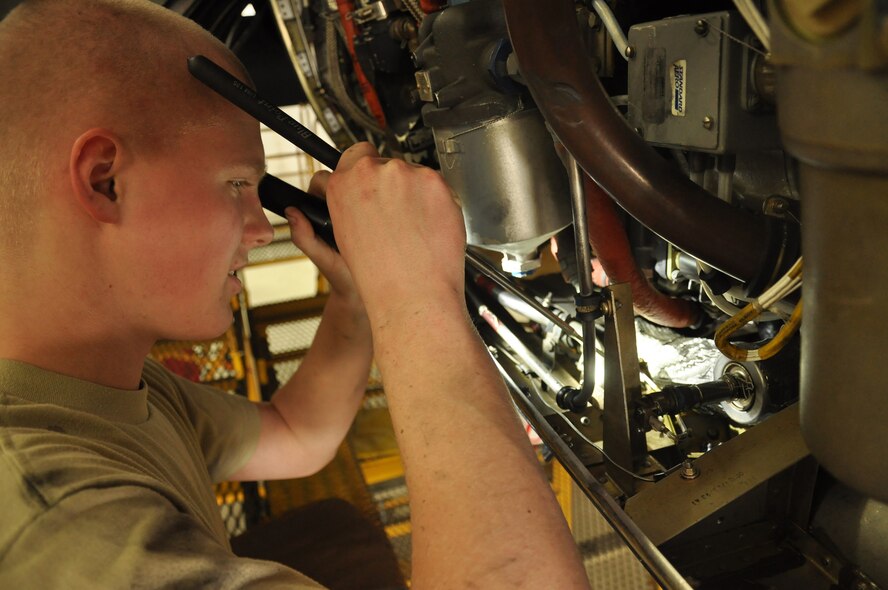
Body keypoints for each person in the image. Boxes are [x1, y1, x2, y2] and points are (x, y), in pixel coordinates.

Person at [0, 1, 590, 588]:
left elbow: (296, 433)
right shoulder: (52, 523)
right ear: (106, 180)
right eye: (236, 184)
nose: (260, 229)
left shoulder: (108, 387)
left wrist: (358, 298)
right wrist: (413, 296)